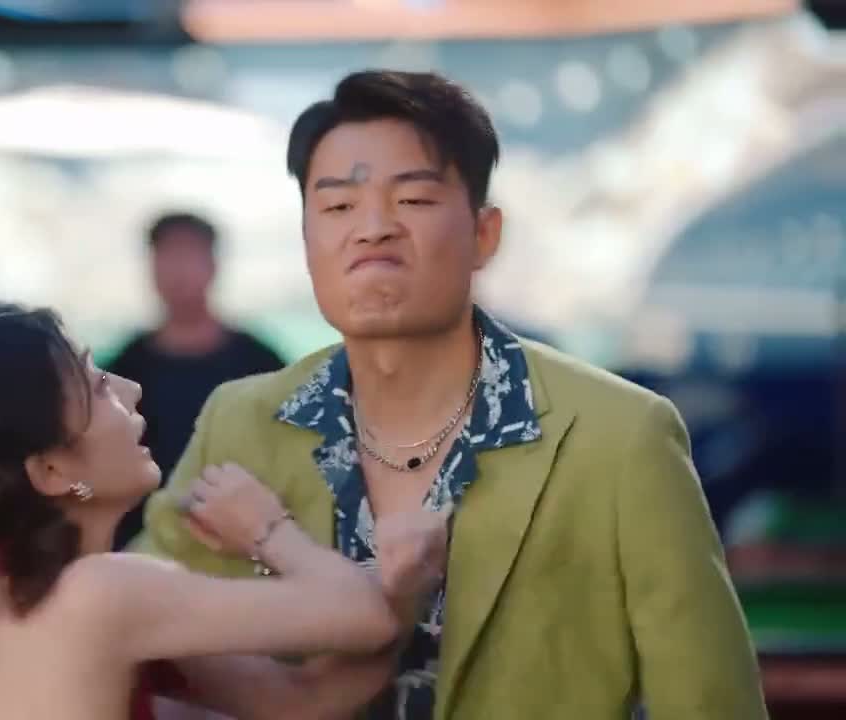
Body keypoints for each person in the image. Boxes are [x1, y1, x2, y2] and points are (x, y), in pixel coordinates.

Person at [134, 71, 768, 719]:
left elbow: (710, 702)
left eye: (412, 199)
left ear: (484, 235)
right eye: (338, 207)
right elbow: (135, 634)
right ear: (307, 243)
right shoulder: (243, 421)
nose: (372, 229)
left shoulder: (620, 436)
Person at [0, 302, 449, 720]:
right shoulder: (104, 592)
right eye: (98, 388)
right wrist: (266, 529)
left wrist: (405, 590)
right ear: (51, 471)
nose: (131, 389)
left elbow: (296, 700)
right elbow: (362, 617)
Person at [108, 213, 285, 548]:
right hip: (143, 543)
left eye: (190, 255)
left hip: (243, 542)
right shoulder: (125, 369)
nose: (179, 271)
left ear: (213, 265)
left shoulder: (259, 361)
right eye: (167, 256)